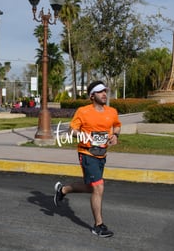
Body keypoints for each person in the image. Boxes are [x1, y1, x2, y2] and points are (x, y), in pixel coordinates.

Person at [53, 80, 121, 238]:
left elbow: (117, 125)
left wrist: (116, 135)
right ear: (92, 96)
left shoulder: (111, 111)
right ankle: (98, 225)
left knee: (92, 188)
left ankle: (63, 190)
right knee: (98, 187)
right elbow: (71, 131)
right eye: (100, 91)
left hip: (102, 154)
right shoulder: (83, 111)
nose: (104, 94)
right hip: (87, 153)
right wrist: (86, 135)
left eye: (105, 91)